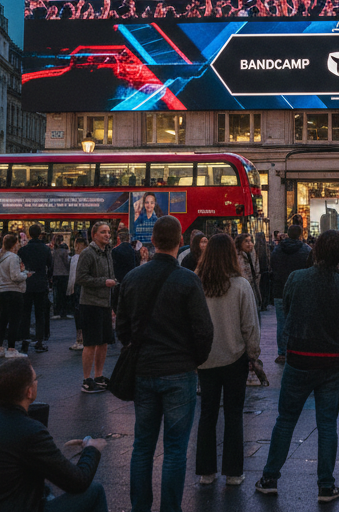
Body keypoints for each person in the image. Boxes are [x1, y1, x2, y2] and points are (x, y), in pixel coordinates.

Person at [116, 215, 213, 512]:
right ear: (181, 241)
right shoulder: (188, 279)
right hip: (179, 371)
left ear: (153, 241)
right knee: (174, 450)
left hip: (144, 370)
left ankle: (140, 506)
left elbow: (121, 328)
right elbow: (204, 330)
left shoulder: (133, 277)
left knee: (143, 446)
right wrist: (193, 360)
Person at [255, 230, 339, 503]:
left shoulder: (296, 279)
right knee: (327, 424)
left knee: (286, 419)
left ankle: (269, 477)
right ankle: (326, 484)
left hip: (299, 356)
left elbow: (287, 309)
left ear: (316, 251)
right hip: (332, 361)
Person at [0, 357, 107, 512]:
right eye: (36, 379)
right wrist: (91, 449)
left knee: (46, 490)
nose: (37, 383)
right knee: (94, 491)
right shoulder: (30, 430)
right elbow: (78, 482)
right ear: (29, 392)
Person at [194, 233, 260, 487]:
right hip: (235, 357)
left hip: (205, 358)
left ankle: (206, 471)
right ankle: (233, 471)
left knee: (207, 414)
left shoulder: (197, 283)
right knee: (234, 414)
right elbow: (250, 326)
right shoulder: (241, 286)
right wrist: (253, 355)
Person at [76, 222, 117, 392]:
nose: (107, 235)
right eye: (103, 232)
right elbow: (81, 278)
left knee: (104, 342)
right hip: (90, 304)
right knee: (91, 343)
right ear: (94, 235)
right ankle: (87, 380)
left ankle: (98, 376)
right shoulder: (87, 253)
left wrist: (112, 305)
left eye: (108, 232)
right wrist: (103, 282)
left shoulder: (108, 252)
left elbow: (111, 276)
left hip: (105, 303)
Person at [270, 224, 311, 364]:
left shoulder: (277, 250)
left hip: (280, 290)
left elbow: (273, 267)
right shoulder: (306, 250)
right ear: (300, 235)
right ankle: (298, 349)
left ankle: (282, 352)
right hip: (299, 290)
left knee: (281, 322)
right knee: (299, 320)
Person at [0, 233, 31, 359]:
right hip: (14, 291)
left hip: (2, 290)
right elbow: (15, 277)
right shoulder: (14, 257)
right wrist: (26, 274)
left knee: (3, 320)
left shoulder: (0, 257)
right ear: (14, 244)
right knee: (14, 321)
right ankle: (11, 348)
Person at [19, 225, 53, 355]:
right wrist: (48, 279)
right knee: (40, 314)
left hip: (26, 283)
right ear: (40, 234)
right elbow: (50, 266)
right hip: (40, 283)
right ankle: (39, 341)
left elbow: (19, 266)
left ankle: (25, 341)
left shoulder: (23, 250)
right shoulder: (45, 249)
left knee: (25, 313)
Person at [52, 235, 71, 319]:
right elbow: (67, 263)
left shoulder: (54, 251)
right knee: (63, 294)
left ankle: (57, 311)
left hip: (55, 274)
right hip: (64, 274)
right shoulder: (64, 251)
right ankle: (64, 312)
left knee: (57, 294)